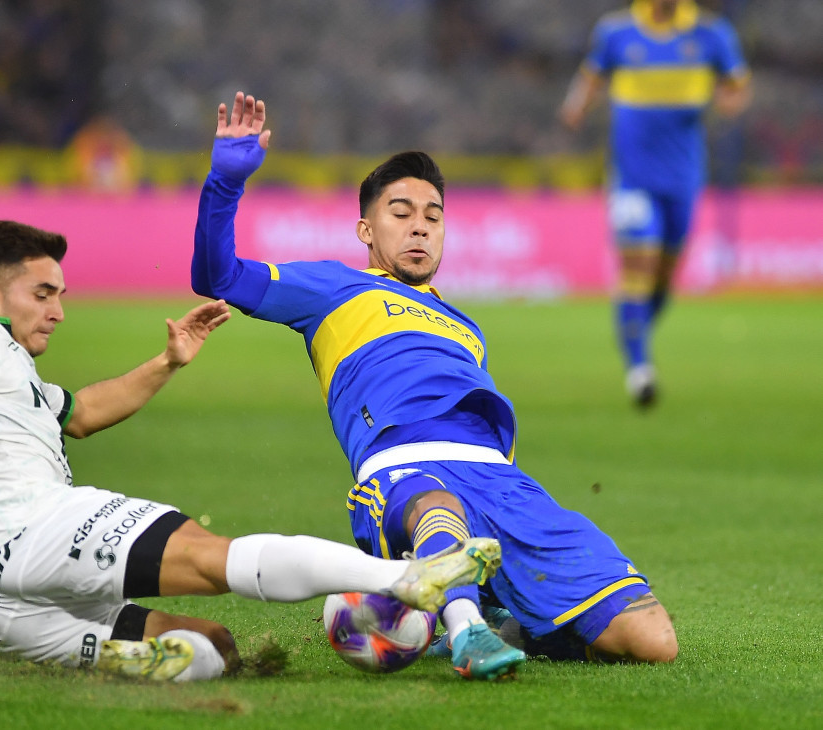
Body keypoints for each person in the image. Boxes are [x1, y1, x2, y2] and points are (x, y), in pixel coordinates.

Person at [0, 218, 501, 683]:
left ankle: (130, 662)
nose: (58, 309)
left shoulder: (6, 370)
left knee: (213, 648)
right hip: (35, 532)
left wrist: (163, 364)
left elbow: (82, 413)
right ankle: (408, 577)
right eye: (42, 293)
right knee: (208, 553)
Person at [192, 92, 679, 682]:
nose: (419, 226)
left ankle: (503, 622)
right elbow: (217, 275)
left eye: (433, 215)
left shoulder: (464, 326)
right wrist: (225, 180)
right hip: (405, 471)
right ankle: (468, 629)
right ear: (366, 229)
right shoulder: (332, 288)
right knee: (437, 505)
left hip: (504, 483)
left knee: (653, 640)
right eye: (401, 212)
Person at [558, 0, 752, 406]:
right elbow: (590, 78)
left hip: (683, 177)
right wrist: (575, 108)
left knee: (664, 278)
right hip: (632, 177)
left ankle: (635, 332)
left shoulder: (711, 34)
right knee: (637, 265)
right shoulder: (617, 32)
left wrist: (729, 103)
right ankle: (639, 368)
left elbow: (737, 85)